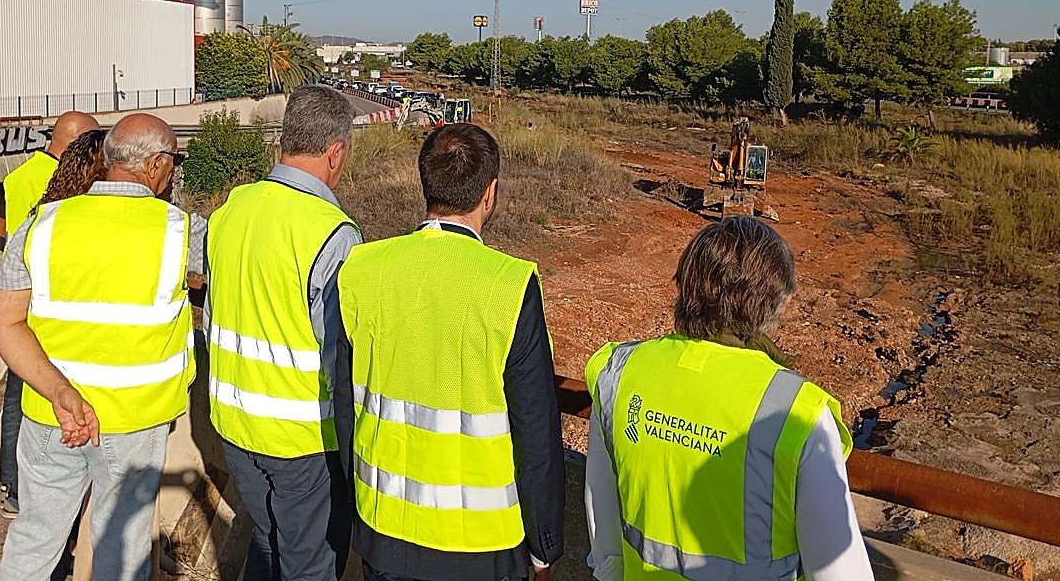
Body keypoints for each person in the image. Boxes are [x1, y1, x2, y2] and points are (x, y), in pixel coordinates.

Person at [332, 123, 565, 581]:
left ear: (425, 185)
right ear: (489, 194)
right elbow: (535, 430)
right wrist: (545, 545)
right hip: (483, 548)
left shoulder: (361, 268)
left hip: (383, 532)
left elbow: (343, 402)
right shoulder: (511, 285)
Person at [584, 216, 874, 581]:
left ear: (685, 283)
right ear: (775, 303)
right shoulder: (796, 413)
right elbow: (840, 571)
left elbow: (603, 526)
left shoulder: (620, 372)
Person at [0, 113, 206, 581]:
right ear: (156, 165)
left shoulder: (42, 225)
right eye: (173, 162)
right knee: (119, 546)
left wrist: (61, 393)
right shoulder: (182, 232)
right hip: (133, 422)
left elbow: (1, 321)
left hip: (50, 415)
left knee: (35, 535)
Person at [206, 85, 362, 581]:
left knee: (269, 544)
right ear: (335, 152)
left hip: (233, 422)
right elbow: (341, 352)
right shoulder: (333, 232)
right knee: (310, 562)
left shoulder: (233, 208)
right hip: (300, 439)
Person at [0, 109, 99, 519]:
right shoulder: (74, 185)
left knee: (17, 399)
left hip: (23, 307)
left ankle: (13, 487)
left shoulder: (17, 178)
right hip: (62, 311)